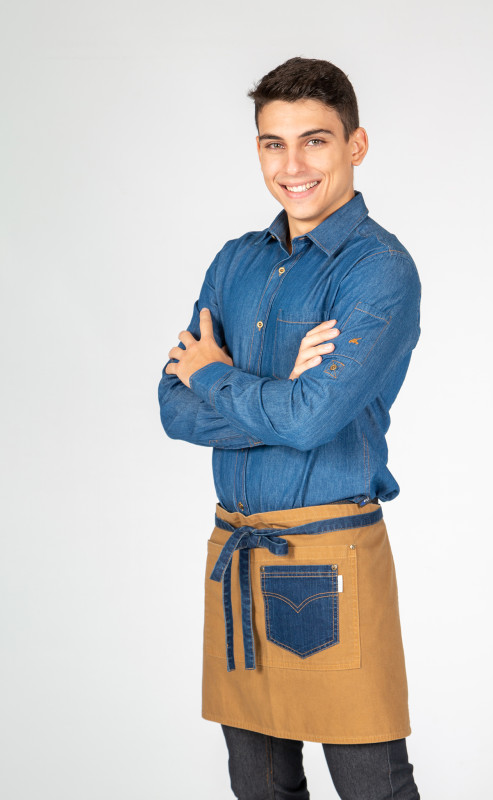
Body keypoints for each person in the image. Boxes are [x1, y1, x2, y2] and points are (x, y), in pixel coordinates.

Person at [157, 56, 422, 800]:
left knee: (373, 786)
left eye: (315, 141)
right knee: (259, 787)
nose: (293, 165)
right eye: (274, 143)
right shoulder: (235, 261)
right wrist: (283, 392)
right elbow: (173, 408)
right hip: (238, 552)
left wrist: (220, 377)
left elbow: (312, 421)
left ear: (355, 144)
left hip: (331, 554)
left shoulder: (379, 270)